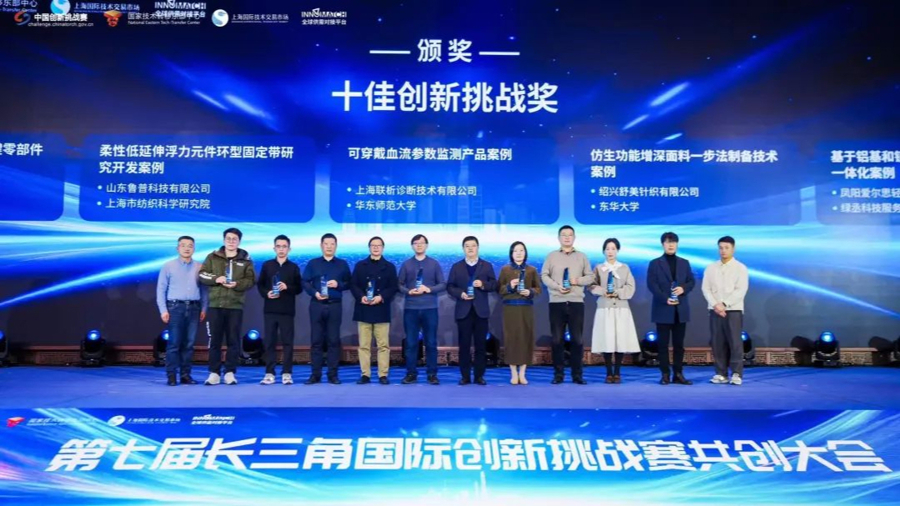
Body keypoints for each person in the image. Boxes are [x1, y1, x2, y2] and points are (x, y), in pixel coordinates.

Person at [198, 228, 256, 385]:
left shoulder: (245, 259)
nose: (231, 241)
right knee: (215, 341)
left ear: (239, 241)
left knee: (233, 341)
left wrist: (237, 284)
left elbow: (251, 280)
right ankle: (214, 373)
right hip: (215, 305)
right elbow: (202, 274)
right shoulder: (212, 257)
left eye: (234, 239)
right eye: (228, 238)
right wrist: (216, 279)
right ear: (224, 240)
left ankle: (230, 372)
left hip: (235, 305)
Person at [540, 225, 593, 385]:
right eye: (564, 235)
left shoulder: (582, 256)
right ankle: (558, 375)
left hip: (576, 302)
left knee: (577, 340)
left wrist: (577, 281)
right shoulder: (552, 256)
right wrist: (557, 286)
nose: (567, 237)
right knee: (557, 340)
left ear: (574, 238)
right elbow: (544, 275)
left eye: (570, 235)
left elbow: (590, 277)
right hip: (557, 302)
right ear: (559, 238)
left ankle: (577, 375)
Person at [156, 235, 208, 386]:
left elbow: (204, 290)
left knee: (189, 344)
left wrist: (204, 308)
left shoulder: (200, 267)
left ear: (194, 249)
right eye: (183, 245)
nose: (187, 248)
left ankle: (185, 375)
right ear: (177, 248)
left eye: (190, 246)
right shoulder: (168, 266)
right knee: (174, 343)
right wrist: (163, 310)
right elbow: (161, 289)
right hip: (175, 308)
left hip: (194, 308)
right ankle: (171, 376)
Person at [302, 233, 352, 385]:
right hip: (317, 305)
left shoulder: (342, 264)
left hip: (335, 305)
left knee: (333, 341)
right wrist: (315, 293)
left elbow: (350, 283)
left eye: (332, 244)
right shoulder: (313, 263)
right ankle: (315, 375)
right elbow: (305, 282)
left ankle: (333, 375)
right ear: (321, 246)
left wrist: (338, 285)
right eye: (326, 244)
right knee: (316, 341)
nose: (329, 247)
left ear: (336, 246)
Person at [446, 236, 497, 385]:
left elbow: (494, 284)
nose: (470, 248)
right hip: (464, 311)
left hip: (481, 311)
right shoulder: (456, 267)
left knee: (481, 345)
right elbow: (450, 286)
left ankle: (479, 376)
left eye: (473, 246)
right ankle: (465, 376)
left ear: (477, 248)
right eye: (467, 246)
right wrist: (460, 294)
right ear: (463, 249)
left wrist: (483, 284)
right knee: (464, 346)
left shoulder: (486, 266)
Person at [646, 231, 695, 385]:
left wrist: (683, 289)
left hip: (680, 310)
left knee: (679, 345)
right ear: (663, 244)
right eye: (668, 242)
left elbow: (691, 281)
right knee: (663, 345)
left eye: (673, 242)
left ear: (677, 244)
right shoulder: (655, 263)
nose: (671, 245)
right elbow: (652, 285)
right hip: (663, 309)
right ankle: (665, 374)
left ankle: (678, 374)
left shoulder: (684, 263)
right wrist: (665, 298)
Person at [589, 238, 639, 384]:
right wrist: (603, 291)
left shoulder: (624, 268)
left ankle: (617, 372)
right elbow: (591, 286)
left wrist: (617, 292)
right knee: (607, 339)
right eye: (607, 249)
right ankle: (608, 372)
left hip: (621, 308)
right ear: (603, 251)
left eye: (613, 249)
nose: (610, 251)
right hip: (605, 308)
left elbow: (631, 287)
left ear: (617, 250)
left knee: (620, 340)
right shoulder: (599, 268)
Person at [350, 236, 399, 385]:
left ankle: (383, 374)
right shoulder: (360, 265)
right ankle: (365, 374)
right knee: (364, 345)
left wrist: (381, 297)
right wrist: (361, 297)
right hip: (363, 309)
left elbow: (393, 287)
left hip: (381, 309)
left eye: (379, 245)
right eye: (373, 245)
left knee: (383, 345)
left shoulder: (389, 267)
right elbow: (353, 285)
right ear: (369, 247)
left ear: (383, 248)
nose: (376, 247)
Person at [702, 236, 750, 386]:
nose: (723, 251)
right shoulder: (711, 267)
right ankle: (721, 373)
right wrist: (716, 305)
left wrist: (724, 304)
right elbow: (706, 288)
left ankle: (736, 373)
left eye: (726, 248)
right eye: (721, 248)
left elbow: (741, 290)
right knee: (717, 342)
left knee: (735, 342)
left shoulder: (740, 268)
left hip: (733, 310)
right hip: (715, 310)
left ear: (733, 249)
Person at [398, 234, 445, 385]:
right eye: (416, 243)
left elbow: (442, 284)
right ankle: (411, 373)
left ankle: (432, 374)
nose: (419, 245)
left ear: (427, 245)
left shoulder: (434, 264)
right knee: (411, 343)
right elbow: (399, 285)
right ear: (412, 246)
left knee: (431, 343)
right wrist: (408, 291)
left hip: (430, 308)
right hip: (411, 308)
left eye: (422, 243)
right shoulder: (406, 264)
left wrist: (428, 289)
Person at [256, 234, 302, 385]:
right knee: (270, 342)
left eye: (284, 246)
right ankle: (269, 373)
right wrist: (266, 293)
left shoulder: (293, 267)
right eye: (278, 246)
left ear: (289, 249)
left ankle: (287, 373)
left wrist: (287, 287)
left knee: (288, 342)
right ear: (274, 248)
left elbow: (299, 288)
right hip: (270, 310)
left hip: (287, 311)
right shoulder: (267, 265)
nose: (281, 249)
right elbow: (260, 285)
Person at [498, 241, 541, 385]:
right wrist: (510, 286)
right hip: (510, 309)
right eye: (516, 251)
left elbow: (538, 289)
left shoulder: (531, 270)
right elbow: (499, 289)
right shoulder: (505, 270)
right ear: (511, 253)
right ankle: (513, 373)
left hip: (525, 309)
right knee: (511, 339)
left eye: (521, 250)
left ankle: (522, 373)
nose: (519, 253)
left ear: (525, 253)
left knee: (525, 338)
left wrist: (530, 292)